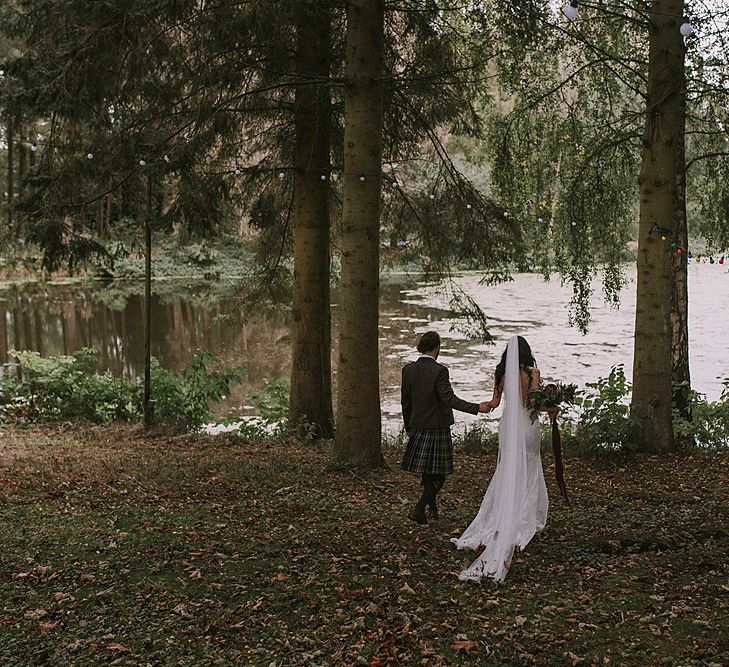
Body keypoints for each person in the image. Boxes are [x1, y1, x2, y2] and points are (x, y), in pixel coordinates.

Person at [451, 335, 557, 582]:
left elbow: (496, 404)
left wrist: (481, 406)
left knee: (508, 467)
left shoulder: (501, 374)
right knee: (530, 465)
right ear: (526, 351)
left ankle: (499, 514)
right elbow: (531, 401)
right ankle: (523, 515)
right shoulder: (533, 373)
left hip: (508, 425)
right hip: (527, 425)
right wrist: (551, 407)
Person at [401, 331, 490, 525]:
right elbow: (449, 399)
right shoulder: (439, 371)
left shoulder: (408, 370)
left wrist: (408, 425)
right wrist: (477, 408)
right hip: (437, 427)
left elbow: (405, 402)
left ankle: (431, 509)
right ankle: (418, 508)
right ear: (437, 348)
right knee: (439, 476)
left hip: (417, 426)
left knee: (427, 472)